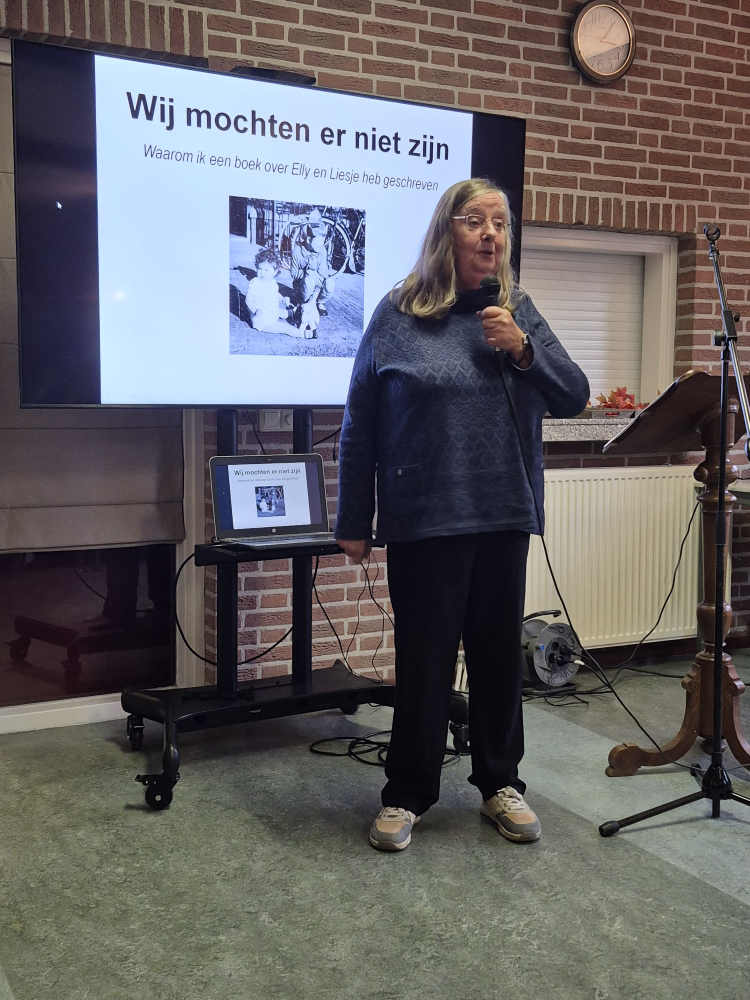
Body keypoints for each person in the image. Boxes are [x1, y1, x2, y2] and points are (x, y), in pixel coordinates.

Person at [334, 178, 590, 852]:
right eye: (475, 220)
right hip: (425, 518)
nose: (490, 234)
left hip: (503, 514)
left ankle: (501, 784)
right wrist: (353, 519)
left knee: (498, 658)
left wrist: (522, 349)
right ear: (446, 231)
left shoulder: (517, 312)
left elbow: (574, 395)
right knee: (425, 662)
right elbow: (360, 421)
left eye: (500, 223)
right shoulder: (399, 313)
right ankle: (406, 793)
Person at [245, 249, 303, 337]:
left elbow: (275, 294)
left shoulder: (272, 282)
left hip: (271, 311)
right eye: (260, 269)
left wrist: (282, 299)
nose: (262, 273)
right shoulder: (255, 283)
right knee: (285, 328)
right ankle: (303, 334)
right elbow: (248, 300)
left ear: (275, 272)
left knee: (279, 311)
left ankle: (290, 313)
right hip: (263, 320)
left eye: (266, 270)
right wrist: (255, 310)